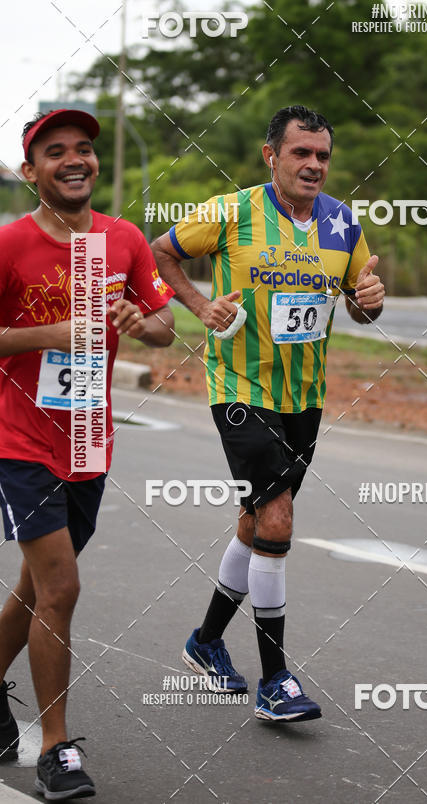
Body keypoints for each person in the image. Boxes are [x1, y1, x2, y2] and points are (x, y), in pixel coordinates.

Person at [152, 104, 385, 723]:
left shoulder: (342, 222)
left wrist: (369, 300)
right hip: (240, 388)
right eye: (300, 154)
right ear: (271, 156)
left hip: (304, 397)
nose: (313, 165)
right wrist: (200, 308)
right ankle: (275, 679)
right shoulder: (231, 212)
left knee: (257, 522)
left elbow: (362, 307)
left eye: (322, 156)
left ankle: (204, 641)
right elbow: (160, 253)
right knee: (277, 517)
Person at [0, 110, 174, 799]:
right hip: (19, 441)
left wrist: (143, 321)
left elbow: (162, 325)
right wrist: (51, 332)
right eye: (55, 153)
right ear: (30, 171)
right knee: (62, 589)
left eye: (83, 151)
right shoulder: (11, 244)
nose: (74, 161)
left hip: (88, 438)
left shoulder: (122, 238)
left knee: (35, 589)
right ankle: (55, 749)